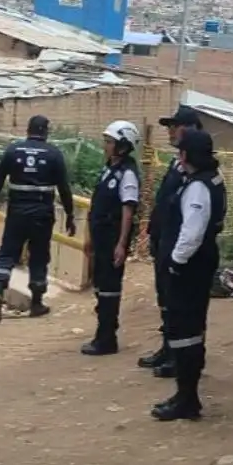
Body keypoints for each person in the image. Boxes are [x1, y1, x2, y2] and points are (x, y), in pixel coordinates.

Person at [152, 128, 227, 422]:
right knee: (190, 330)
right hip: (200, 262)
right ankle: (185, 395)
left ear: (185, 155)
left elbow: (192, 232)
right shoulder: (211, 180)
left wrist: (175, 262)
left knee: (184, 331)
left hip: (189, 266)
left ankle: (187, 398)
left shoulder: (197, 186)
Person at [0, 115, 75, 324]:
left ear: (28, 130)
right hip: (42, 214)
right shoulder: (54, 154)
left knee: (8, 252)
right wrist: (70, 215)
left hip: (17, 212)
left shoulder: (13, 150)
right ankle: (36, 302)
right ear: (46, 132)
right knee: (39, 255)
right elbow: (64, 188)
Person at [142, 104, 205, 377]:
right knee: (165, 300)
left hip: (179, 245)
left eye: (174, 126)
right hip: (164, 240)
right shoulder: (176, 162)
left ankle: (179, 358)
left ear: (189, 129)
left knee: (180, 305)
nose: (169, 131)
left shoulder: (196, 171)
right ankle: (167, 348)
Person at [80, 121, 142, 356]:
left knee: (109, 289)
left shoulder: (127, 174)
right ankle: (102, 333)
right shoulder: (109, 169)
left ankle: (107, 338)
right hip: (100, 236)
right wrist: (90, 239)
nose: (105, 146)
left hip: (112, 237)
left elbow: (128, 210)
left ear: (123, 146)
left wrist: (121, 244)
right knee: (100, 286)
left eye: (110, 142)